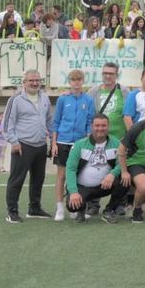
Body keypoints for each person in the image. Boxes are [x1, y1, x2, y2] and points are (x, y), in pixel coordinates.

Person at [4, 70, 54, 223]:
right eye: (31, 80)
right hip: (22, 146)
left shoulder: (44, 98)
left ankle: (34, 208)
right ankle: (12, 211)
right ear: (24, 82)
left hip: (40, 146)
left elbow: (49, 121)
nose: (35, 83)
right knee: (16, 179)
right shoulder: (16, 99)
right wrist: (14, 141)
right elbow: (7, 124)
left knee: (38, 179)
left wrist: (52, 140)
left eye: (37, 80)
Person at [64, 114, 128, 224]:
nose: (100, 128)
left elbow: (121, 164)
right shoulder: (80, 145)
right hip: (83, 187)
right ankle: (81, 210)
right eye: (97, 125)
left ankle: (109, 211)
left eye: (103, 125)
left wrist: (112, 174)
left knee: (125, 180)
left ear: (108, 127)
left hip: (104, 186)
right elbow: (70, 169)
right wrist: (73, 192)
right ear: (92, 126)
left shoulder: (116, 143)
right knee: (72, 206)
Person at [52, 69, 95, 221]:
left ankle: (75, 207)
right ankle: (59, 208)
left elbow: (91, 121)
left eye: (79, 79)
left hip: (80, 143)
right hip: (63, 142)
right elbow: (56, 122)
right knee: (62, 176)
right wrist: (54, 143)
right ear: (69, 81)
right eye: (73, 79)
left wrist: (89, 141)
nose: (76, 82)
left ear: (83, 81)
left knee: (78, 176)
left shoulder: (88, 100)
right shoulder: (62, 99)